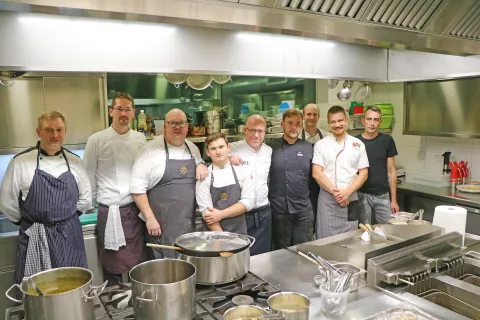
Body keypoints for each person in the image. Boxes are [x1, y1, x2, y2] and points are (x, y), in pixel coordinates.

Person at [0, 111, 92, 283]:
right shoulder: (20, 162)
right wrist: (31, 222)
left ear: (65, 131)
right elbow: (7, 203)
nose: (55, 135)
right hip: (35, 234)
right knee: (36, 290)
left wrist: (65, 219)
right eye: (49, 130)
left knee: (73, 285)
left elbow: (86, 198)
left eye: (59, 129)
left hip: (69, 235)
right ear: (38, 132)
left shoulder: (75, 161)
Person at [83, 92, 149, 279]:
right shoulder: (96, 139)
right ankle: (115, 301)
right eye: (119, 109)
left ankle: (137, 297)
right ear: (111, 111)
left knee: (138, 262)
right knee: (114, 263)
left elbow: (144, 173)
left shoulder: (140, 139)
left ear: (133, 113)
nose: (123, 113)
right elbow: (87, 174)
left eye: (127, 109)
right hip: (109, 210)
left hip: (135, 210)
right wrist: (91, 204)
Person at [130, 108, 208, 258]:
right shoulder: (149, 151)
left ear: (187, 127)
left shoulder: (192, 149)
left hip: (189, 227)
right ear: (164, 126)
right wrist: (150, 219)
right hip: (161, 228)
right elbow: (137, 189)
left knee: (188, 269)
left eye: (181, 123)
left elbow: (201, 166)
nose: (177, 127)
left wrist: (202, 165)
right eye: (173, 123)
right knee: (165, 274)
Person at [312, 105, 369, 239]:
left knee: (351, 239)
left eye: (340, 121)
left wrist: (347, 193)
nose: (337, 125)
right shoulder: (321, 144)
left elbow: (364, 173)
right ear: (329, 123)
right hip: (328, 200)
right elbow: (316, 173)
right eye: (333, 122)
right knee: (326, 241)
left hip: (351, 198)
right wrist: (337, 194)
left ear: (346, 121)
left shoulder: (358, 144)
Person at [268, 108, 314, 249]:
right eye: (290, 123)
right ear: (282, 124)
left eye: (298, 124)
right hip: (279, 210)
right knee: (280, 253)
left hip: (303, 211)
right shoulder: (270, 147)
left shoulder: (309, 147)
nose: (294, 127)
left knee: (304, 251)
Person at [228, 115, 272, 254]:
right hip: (241, 214)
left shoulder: (268, 151)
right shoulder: (232, 149)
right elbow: (214, 155)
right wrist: (228, 158)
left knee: (262, 256)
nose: (256, 135)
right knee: (240, 254)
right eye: (252, 130)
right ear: (245, 130)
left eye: (260, 131)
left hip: (263, 212)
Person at [196, 133, 255, 234]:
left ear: (228, 148)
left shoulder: (243, 171)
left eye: (221, 147)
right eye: (213, 148)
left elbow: (248, 203)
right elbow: (207, 213)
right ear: (208, 152)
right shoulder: (204, 178)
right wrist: (223, 240)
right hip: (215, 235)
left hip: (239, 234)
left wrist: (221, 214)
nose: (218, 151)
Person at [356, 105, 399, 224]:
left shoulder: (387, 140)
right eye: (369, 119)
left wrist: (394, 200)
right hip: (362, 195)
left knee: (386, 231)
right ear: (363, 121)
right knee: (365, 232)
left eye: (376, 120)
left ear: (380, 122)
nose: (372, 123)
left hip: (383, 195)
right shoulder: (355, 142)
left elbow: (391, 171)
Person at [300, 103, 332, 236]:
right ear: (303, 116)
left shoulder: (328, 137)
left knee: (323, 221)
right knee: (307, 223)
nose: (311, 117)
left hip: (323, 186)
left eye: (314, 115)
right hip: (304, 187)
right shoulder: (296, 137)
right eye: (309, 114)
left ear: (318, 116)